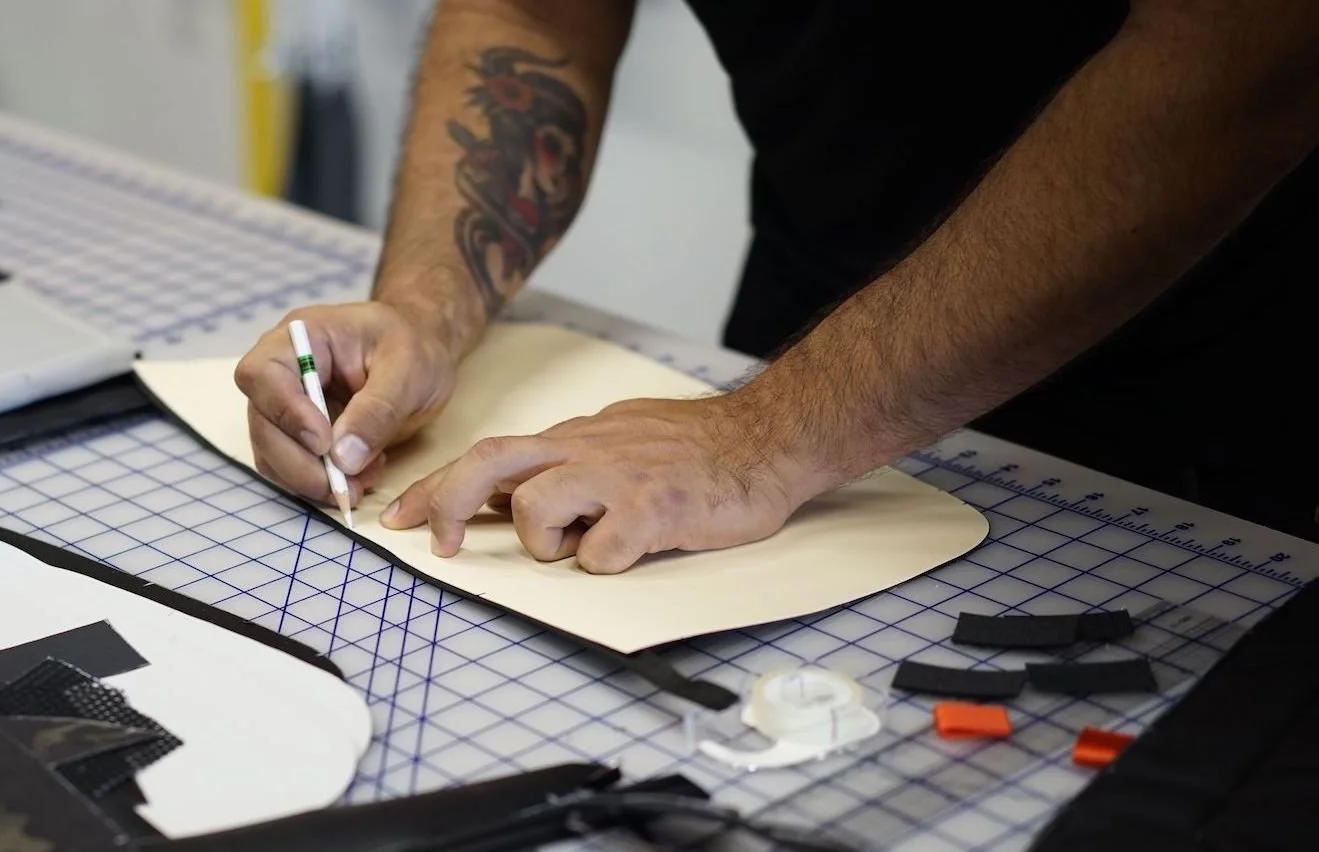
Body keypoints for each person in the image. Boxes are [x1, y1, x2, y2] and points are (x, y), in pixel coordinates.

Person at [234, 0, 1319, 574]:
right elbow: (535, 12)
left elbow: (1238, 61)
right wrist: (426, 305)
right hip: (806, 332)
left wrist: (768, 439)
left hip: (1216, 394)